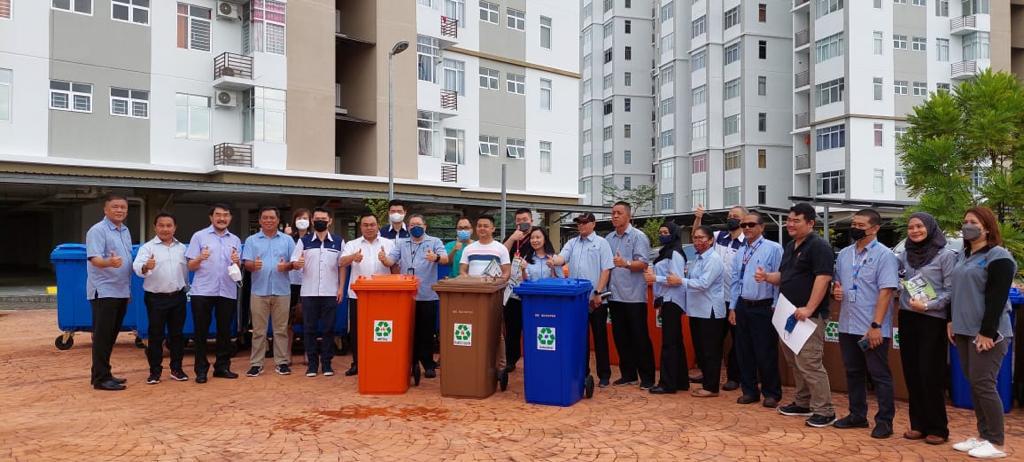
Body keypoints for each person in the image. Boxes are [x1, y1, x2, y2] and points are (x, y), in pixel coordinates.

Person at [755, 202, 835, 428]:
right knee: (795, 361)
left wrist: (809, 308)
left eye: (795, 220)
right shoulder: (791, 246)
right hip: (787, 314)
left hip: (808, 316)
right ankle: (803, 402)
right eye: (789, 220)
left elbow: (823, 278)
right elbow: (785, 275)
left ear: (810, 223)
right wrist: (767, 277)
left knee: (809, 362)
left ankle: (825, 410)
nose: (790, 224)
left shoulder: (819, 246)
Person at [949, 206, 1015, 459]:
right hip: (964, 330)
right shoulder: (963, 256)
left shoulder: (998, 256)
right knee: (975, 384)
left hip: (989, 333)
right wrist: (951, 321)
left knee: (984, 384)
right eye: (965, 221)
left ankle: (995, 441)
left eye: (973, 222)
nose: (967, 226)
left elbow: (997, 297)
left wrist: (988, 332)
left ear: (986, 227)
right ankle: (983, 435)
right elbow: (956, 292)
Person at [831, 209, 899, 439]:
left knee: (879, 375)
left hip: (872, 327)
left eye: (860, 225)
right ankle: (857, 415)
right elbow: (838, 282)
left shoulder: (885, 256)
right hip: (847, 324)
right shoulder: (844, 254)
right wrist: (836, 290)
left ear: (875, 228)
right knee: (853, 372)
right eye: (853, 223)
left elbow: (886, 291)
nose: (855, 228)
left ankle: (885, 421)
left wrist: (876, 325)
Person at [896, 212, 955, 445]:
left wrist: (928, 305)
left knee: (931, 372)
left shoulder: (945, 255)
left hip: (932, 319)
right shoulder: (904, 255)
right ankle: (918, 424)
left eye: (920, 226)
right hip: (908, 317)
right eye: (911, 227)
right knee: (911, 371)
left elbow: (951, 291)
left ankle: (938, 428)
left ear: (930, 228)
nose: (915, 231)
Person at [547, 212, 614, 387]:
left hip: (596, 299)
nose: (581, 226)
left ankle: (604, 375)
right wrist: (553, 261)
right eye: (579, 223)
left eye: (585, 223)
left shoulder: (602, 244)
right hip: (576, 301)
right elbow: (562, 259)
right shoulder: (572, 243)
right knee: (579, 339)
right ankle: (582, 373)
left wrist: (598, 292)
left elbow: (606, 270)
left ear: (593, 224)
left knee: (600, 338)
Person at [380, 214, 448, 379]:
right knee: (408, 331)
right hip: (407, 296)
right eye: (411, 225)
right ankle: (411, 362)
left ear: (425, 226)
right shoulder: (402, 243)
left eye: (418, 224)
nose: (415, 227)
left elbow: (445, 259)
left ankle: (428, 364)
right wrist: (383, 259)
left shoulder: (435, 242)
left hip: (427, 295)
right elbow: (391, 261)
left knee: (426, 332)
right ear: (408, 227)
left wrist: (436, 257)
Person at [729, 212, 783, 408]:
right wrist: (733, 307)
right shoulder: (740, 251)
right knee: (744, 351)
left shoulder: (773, 248)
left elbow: (779, 277)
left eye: (751, 225)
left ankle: (771, 393)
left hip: (764, 306)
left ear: (762, 227)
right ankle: (750, 391)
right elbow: (736, 281)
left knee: (765, 352)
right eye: (744, 225)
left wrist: (776, 305)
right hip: (744, 305)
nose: (747, 228)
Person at [185, 203, 242, 383]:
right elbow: (190, 266)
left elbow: (237, 268)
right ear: (211, 217)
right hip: (202, 290)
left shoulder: (235, 240)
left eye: (226, 215)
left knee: (225, 332)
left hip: (227, 290)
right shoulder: (199, 236)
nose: (222, 218)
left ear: (230, 218)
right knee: (200, 332)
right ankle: (201, 370)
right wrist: (200, 258)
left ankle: (222, 367)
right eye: (218, 215)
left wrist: (236, 261)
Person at [133, 212, 189, 385]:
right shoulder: (147, 248)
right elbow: (137, 266)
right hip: (156, 298)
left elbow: (187, 271)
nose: (165, 229)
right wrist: (145, 266)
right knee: (156, 336)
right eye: (161, 225)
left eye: (169, 225)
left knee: (177, 336)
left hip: (178, 297)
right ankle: (155, 372)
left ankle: (177, 369)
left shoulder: (183, 248)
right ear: (155, 227)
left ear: (175, 228)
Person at [693, 204, 745, 391]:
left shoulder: (746, 242)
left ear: (744, 220)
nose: (731, 218)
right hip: (716, 299)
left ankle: (734, 377)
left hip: (736, 299)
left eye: (736, 216)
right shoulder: (719, 236)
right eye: (729, 215)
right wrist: (698, 218)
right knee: (711, 341)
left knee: (737, 340)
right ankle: (708, 374)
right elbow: (698, 237)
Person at [85, 194, 133, 391]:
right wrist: (109, 263)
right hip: (104, 291)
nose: (119, 210)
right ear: (106, 210)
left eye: (123, 207)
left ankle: (104, 372)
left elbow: (127, 261)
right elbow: (94, 259)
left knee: (111, 335)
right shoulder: (97, 230)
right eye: (115, 207)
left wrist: (128, 290)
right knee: (102, 336)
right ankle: (100, 378)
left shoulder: (125, 230)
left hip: (121, 290)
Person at [241, 206, 297, 377]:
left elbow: (294, 263)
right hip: (259, 291)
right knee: (258, 330)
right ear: (259, 221)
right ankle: (256, 364)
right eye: (265, 218)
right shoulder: (251, 240)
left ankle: (282, 362)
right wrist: (253, 266)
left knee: (280, 329)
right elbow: (246, 263)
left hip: (282, 291)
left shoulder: (287, 240)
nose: (268, 220)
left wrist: (286, 266)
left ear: (278, 220)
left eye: (272, 217)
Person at [290, 207, 345, 377]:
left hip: (330, 292)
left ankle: (327, 364)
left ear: (329, 221)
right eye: (317, 218)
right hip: (309, 293)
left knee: (329, 329)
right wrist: (297, 263)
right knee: (310, 329)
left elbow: (342, 265)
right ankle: (312, 365)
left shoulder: (338, 241)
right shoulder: (304, 241)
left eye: (323, 218)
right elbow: (294, 260)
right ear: (312, 221)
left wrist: (341, 288)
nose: (320, 221)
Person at [340, 211, 396, 376]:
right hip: (358, 295)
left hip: (383, 295)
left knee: (382, 330)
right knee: (358, 331)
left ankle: (381, 360)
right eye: (365, 225)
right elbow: (341, 262)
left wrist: (386, 260)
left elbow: (396, 267)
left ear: (378, 225)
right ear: (361, 226)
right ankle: (357, 363)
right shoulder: (352, 244)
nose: (369, 227)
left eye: (372, 224)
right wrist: (353, 257)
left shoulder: (389, 243)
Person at [605, 201, 655, 389]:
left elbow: (642, 264)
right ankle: (628, 374)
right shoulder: (609, 238)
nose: (615, 216)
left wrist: (624, 263)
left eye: (618, 213)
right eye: (613, 213)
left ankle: (648, 377)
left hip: (634, 297)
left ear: (628, 216)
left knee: (639, 337)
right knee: (620, 337)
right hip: (614, 295)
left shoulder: (638, 237)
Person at [459, 215, 512, 389]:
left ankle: (501, 366)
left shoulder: (500, 249)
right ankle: (474, 361)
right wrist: (472, 283)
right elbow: (463, 271)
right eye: (479, 225)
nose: (482, 228)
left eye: (486, 226)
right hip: (474, 295)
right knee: (473, 329)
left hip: (493, 296)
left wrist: (494, 284)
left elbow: (506, 273)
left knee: (496, 331)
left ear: (493, 229)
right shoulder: (469, 249)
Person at [678, 225, 727, 397]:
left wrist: (680, 281)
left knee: (710, 350)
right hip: (697, 310)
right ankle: (707, 381)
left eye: (701, 238)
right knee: (701, 349)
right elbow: (692, 279)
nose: (697, 241)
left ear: (711, 240)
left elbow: (703, 283)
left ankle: (712, 387)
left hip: (710, 311)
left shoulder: (713, 259)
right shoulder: (697, 259)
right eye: (695, 238)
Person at [643, 221, 689, 395]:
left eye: (665, 232)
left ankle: (667, 383)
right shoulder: (665, 252)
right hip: (667, 301)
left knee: (669, 344)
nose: (662, 235)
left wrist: (655, 278)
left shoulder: (675, 253)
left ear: (673, 233)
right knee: (676, 342)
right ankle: (681, 381)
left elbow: (675, 279)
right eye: (660, 232)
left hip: (673, 301)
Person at [285, 208, 311, 360]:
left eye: (305, 218)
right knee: (288, 320)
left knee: (308, 319)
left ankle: (308, 352)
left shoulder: (313, 238)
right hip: (290, 284)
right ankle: (287, 352)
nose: (302, 220)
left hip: (308, 284)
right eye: (299, 217)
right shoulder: (288, 239)